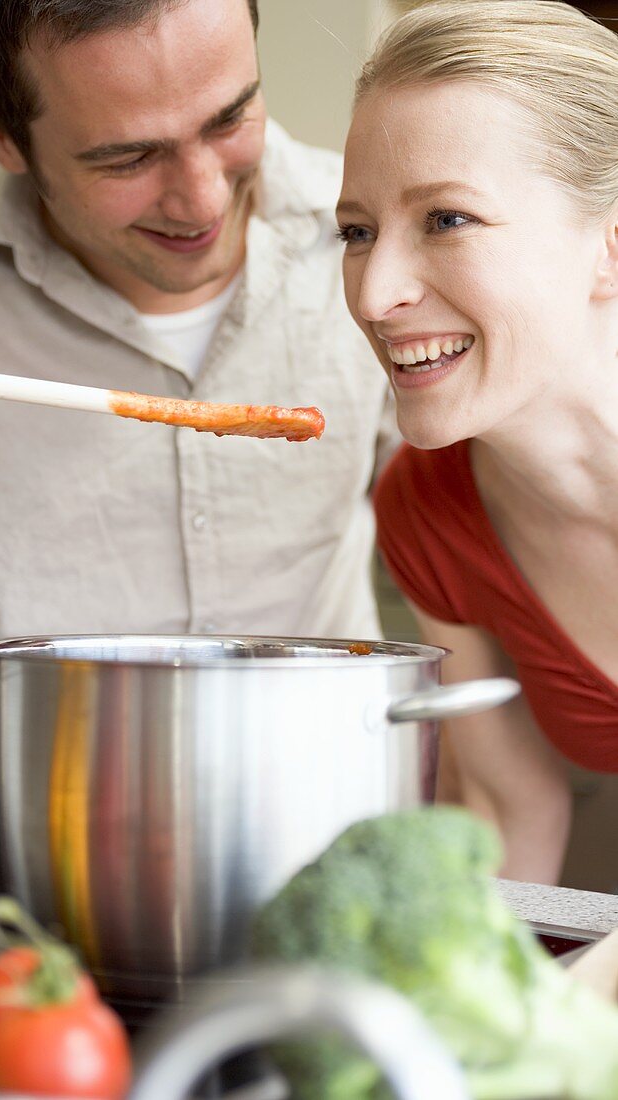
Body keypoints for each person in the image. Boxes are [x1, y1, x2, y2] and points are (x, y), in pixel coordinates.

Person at [0, 0, 394, 858]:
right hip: (18, 890)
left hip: (330, 867)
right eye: (126, 156)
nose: (199, 198)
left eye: (230, 118)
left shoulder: (377, 240)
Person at [338, 0, 618, 885]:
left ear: (610, 248)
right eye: (356, 232)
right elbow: (504, 807)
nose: (375, 293)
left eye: (446, 219)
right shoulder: (426, 509)